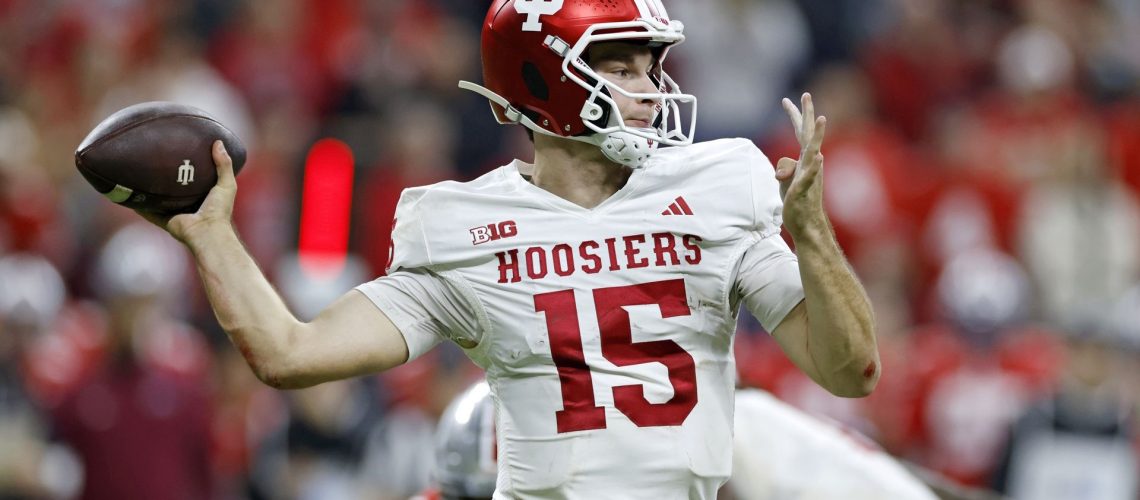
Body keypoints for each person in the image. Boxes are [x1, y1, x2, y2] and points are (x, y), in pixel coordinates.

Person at [139, 0, 878, 497]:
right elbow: (290, 355)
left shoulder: (720, 183)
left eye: (650, 66)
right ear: (545, 80)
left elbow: (851, 372)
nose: (650, 88)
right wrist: (211, 236)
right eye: (620, 67)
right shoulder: (461, 225)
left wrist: (810, 238)